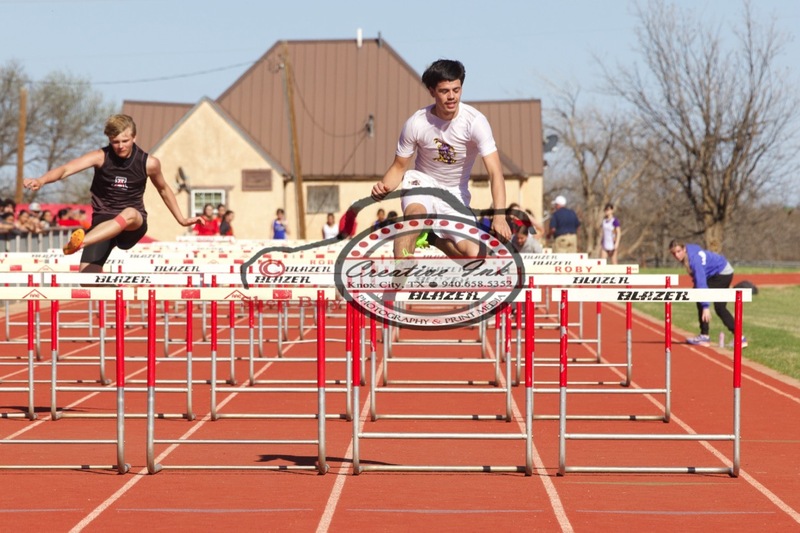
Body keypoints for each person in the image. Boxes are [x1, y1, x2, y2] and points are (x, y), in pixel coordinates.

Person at [23, 114, 200, 272]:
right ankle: (119, 295)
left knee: (130, 213)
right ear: (109, 139)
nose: (120, 146)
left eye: (125, 141)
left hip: (132, 225)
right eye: (115, 142)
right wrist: (41, 180)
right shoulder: (100, 157)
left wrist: (182, 219)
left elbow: (163, 189)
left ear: (134, 137)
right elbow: (66, 170)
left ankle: (81, 241)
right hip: (103, 226)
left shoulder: (149, 163)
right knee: (88, 279)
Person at [370, 59, 511, 258]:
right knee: (414, 217)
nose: (452, 97)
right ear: (432, 91)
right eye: (445, 91)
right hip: (423, 182)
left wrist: (499, 216)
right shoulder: (416, 123)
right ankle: (399, 277)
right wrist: (383, 187)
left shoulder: (475, 122)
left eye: (456, 89)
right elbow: (399, 167)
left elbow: (495, 172)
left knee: (475, 256)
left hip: (455, 192)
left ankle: (430, 238)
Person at [669, 239, 747, 347]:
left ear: (684, 249)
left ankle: (704, 336)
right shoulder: (690, 251)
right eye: (674, 253)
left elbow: (701, 282)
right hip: (721, 272)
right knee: (720, 308)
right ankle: (740, 337)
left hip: (721, 273)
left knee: (701, 297)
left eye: (678, 251)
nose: (677, 255)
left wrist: (706, 306)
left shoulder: (694, 260)